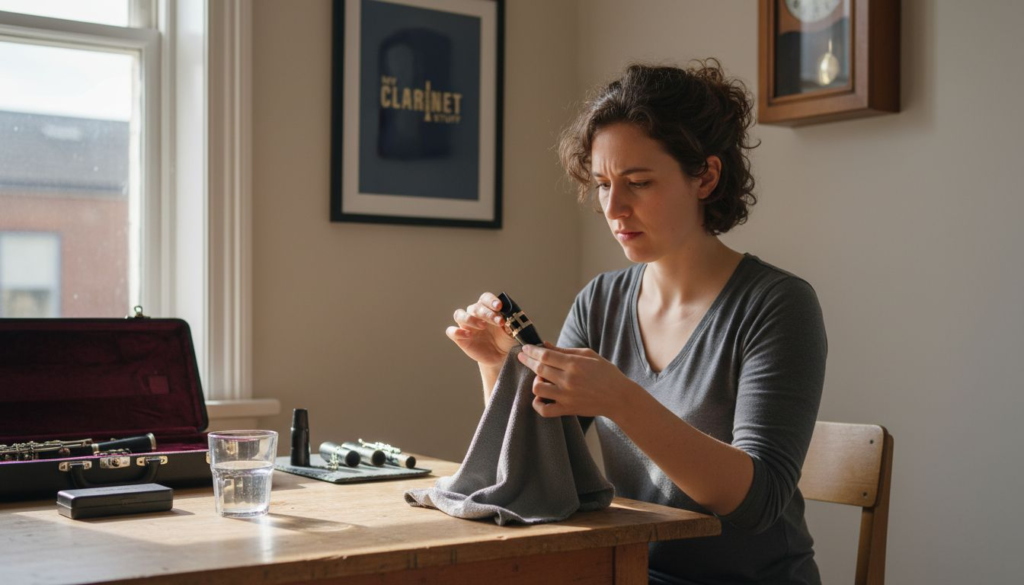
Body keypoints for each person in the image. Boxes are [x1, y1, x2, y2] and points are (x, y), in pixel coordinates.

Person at [445, 60, 827, 585]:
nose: (614, 207)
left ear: (706, 177)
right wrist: (498, 366)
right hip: (625, 572)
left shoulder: (777, 304)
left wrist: (621, 399)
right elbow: (545, 462)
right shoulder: (600, 301)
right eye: (602, 184)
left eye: (639, 182)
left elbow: (757, 501)